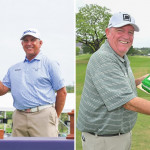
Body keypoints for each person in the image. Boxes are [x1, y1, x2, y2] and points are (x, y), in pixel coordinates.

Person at [77, 12, 150, 150]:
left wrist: (141, 81)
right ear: (108, 32)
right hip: (104, 141)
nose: (126, 36)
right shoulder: (104, 58)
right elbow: (129, 103)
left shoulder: (120, 56)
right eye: (120, 30)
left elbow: (120, 85)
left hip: (117, 137)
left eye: (130, 32)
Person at [0, 28, 67, 137]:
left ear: (40, 43)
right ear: (22, 44)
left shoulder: (49, 63)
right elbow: (2, 90)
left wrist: (55, 116)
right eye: (26, 40)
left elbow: (62, 92)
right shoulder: (14, 68)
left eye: (33, 40)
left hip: (43, 116)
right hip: (19, 117)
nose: (29, 43)